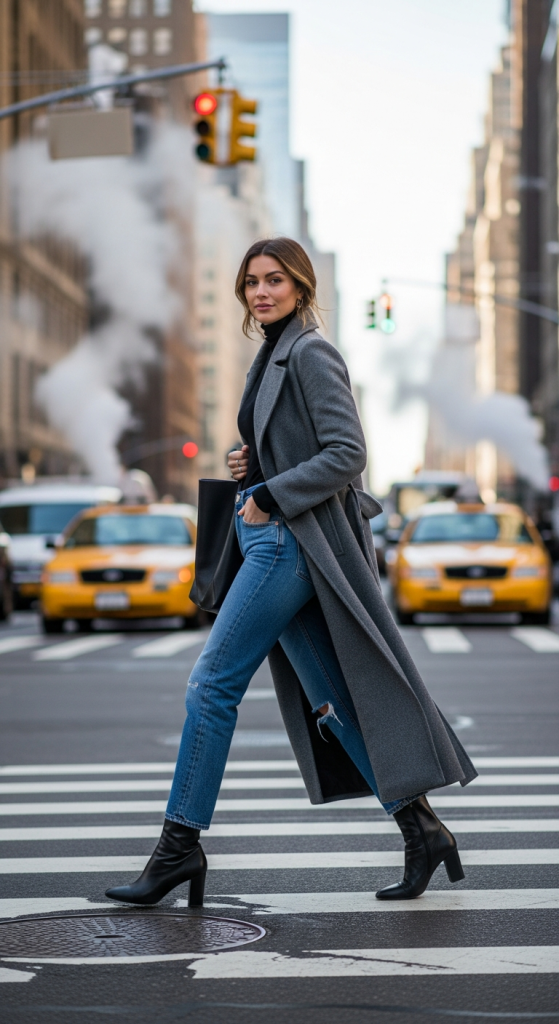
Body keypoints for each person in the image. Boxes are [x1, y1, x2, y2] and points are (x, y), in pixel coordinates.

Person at [106, 237, 476, 908]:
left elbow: (347, 452)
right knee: (333, 704)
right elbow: (305, 446)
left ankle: (178, 849)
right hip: (279, 542)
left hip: (288, 545)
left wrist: (270, 495)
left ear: (301, 287)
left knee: (211, 684)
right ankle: (421, 829)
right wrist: (255, 465)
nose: (260, 292)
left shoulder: (309, 351)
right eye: (251, 282)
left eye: (274, 280)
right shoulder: (274, 351)